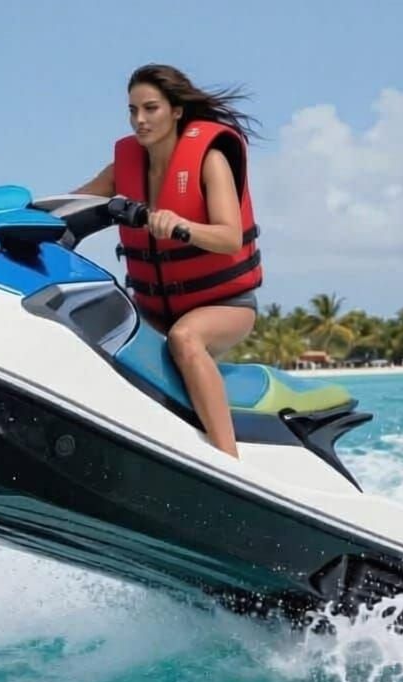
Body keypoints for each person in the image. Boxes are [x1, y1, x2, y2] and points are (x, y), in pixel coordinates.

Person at [75, 64, 263, 458]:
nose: (139, 120)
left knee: (185, 338)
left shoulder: (209, 160)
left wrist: (182, 226)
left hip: (225, 306)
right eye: (132, 111)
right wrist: (19, 217)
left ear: (176, 111)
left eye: (151, 108)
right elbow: (73, 203)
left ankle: (229, 462)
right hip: (155, 308)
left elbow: (229, 237)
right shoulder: (123, 168)